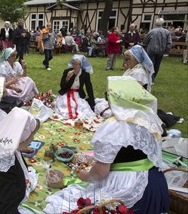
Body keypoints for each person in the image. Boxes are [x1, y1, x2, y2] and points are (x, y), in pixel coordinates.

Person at [45, 76, 170, 214]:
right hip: (154, 182)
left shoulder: (115, 126)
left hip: (128, 185)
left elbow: (100, 172)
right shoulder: (147, 117)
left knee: (68, 203)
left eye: (107, 96)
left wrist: (84, 175)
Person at [55, 54, 97, 122]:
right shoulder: (67, 71)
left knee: (81, 107)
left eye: (77, 64)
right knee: (65, 106)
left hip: (78, 94)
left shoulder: (85, 74)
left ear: (80, 65)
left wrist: (92, 102)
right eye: (74, 64)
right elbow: (62, 86)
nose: (75, 66)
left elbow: (89, 87)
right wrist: (67, 78)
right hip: (67, 93)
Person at [143, 18, 172, 83]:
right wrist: (166, 51)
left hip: (151, 50)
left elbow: (145, 41)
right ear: (163, 23)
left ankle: (151, 78)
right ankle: (153, 78)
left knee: (151, 64)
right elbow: (169, 42)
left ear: (155, 23)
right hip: (161, 51)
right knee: (157, 65)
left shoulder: (152, 31)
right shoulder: (166, 32)